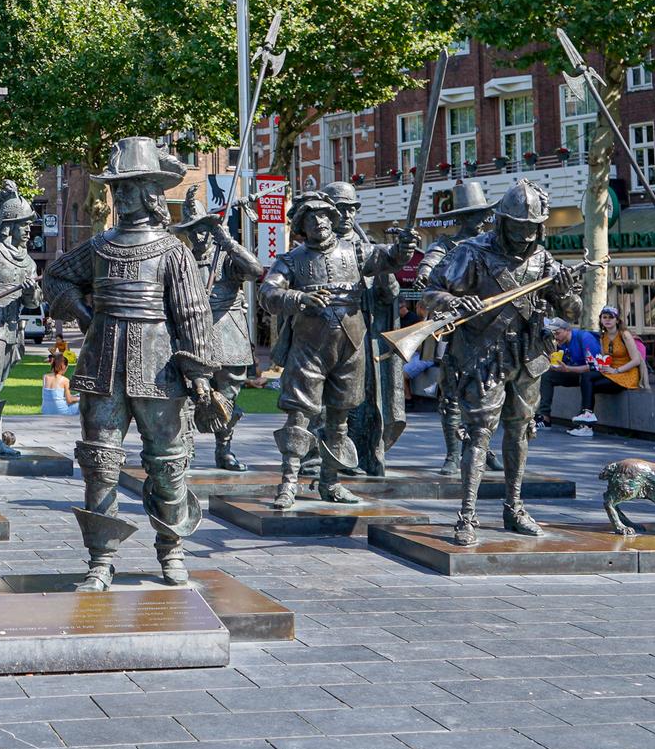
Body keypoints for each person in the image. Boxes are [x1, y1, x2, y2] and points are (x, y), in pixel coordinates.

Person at [43, 136, 216, 591]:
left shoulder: (173, 250)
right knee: (99, 462)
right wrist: (84, 313)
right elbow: (56, 277)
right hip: (101, 366)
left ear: (150, 192)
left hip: (159, 369)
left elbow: (192, 313)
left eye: (128, 187)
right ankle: (101, 559)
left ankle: (171, 548)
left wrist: (199, 374)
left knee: (167, 462)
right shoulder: (99, 246)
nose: (119, 195)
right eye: (116, 187)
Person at [431, 179, 593, 546]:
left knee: (520, 432)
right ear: (503, 222)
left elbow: (573, 312)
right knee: (478, 435)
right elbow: (432, 291)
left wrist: (566, 293)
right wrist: (455, 303)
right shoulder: (471, 252)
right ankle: (467, 515)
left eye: (531, 230)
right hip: (483, 356)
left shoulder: (544, 259)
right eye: (518, 229)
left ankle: (514, 507)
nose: (524, 238)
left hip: (528, 357)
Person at [258, 184, 407, 508]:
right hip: (308, 348)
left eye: (324, 215)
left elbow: (390, 259)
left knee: (340, 420)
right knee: (298, 416)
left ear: (332, 218)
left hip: (351, 346)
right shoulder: (291, 260)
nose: (319, 222)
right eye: (311, 217)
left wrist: (405, 247)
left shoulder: (357, 252)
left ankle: (331, 481)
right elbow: (267, 294)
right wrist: (298, 298)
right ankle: (288, 483)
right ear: (302, 225)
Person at [174, 187, 266, 471]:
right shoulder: (182, 260)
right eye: (193, 231)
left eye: (203, 230)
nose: (198, 236)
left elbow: (255, 270)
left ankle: (224, 449)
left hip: (228, 333)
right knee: (186, 396)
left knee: (228, 395)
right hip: (191, 335)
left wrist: (229, 243)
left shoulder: (225, 257)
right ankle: (184, 449)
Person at [413, 179, 495, 478]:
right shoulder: (446, 245)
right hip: (453, 328)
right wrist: (425, 274)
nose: (482, 220)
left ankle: (483, 450)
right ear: (462, 218)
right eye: (475, 215)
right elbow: (429, 265)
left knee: (488, 394)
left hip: (487, 328)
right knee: (450, 394)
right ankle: (452, 453)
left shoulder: (493, 246)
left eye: (484, 214)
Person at [0, 182, 41, 459]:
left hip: (12, 332)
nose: (28, 230)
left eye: (29, 225)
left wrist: (31, 294)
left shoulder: (29, 263)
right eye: (24, 224)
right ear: (9, 225)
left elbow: (33, 304)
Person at [539, 318, 605, 436]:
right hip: (574, 373)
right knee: (547, 375)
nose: (556, 337)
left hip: (592, 375)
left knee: (585, 378)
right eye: (553, 335)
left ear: (567, 330)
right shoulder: (560, 343)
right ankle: (544, 418)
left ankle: (584, 422)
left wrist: (568, 369)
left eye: (557, 333)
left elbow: (595, 366)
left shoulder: (584, 337)